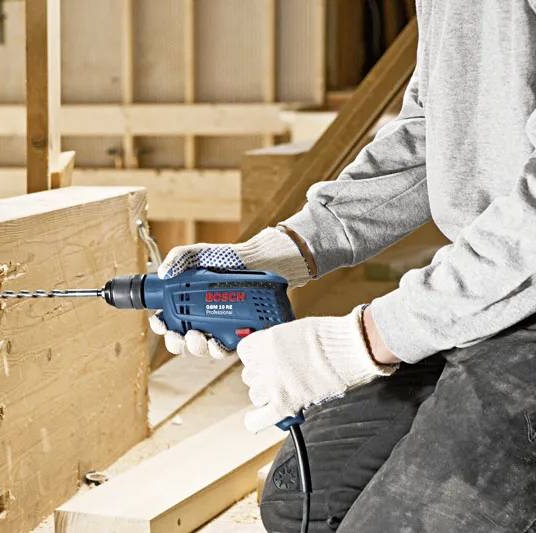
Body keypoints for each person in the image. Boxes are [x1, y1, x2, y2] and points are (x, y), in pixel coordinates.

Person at [150, 2, 536, 531]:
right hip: (488, 297)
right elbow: (431, 131)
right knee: (302, 503)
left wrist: (363, 340)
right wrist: (285, 250)